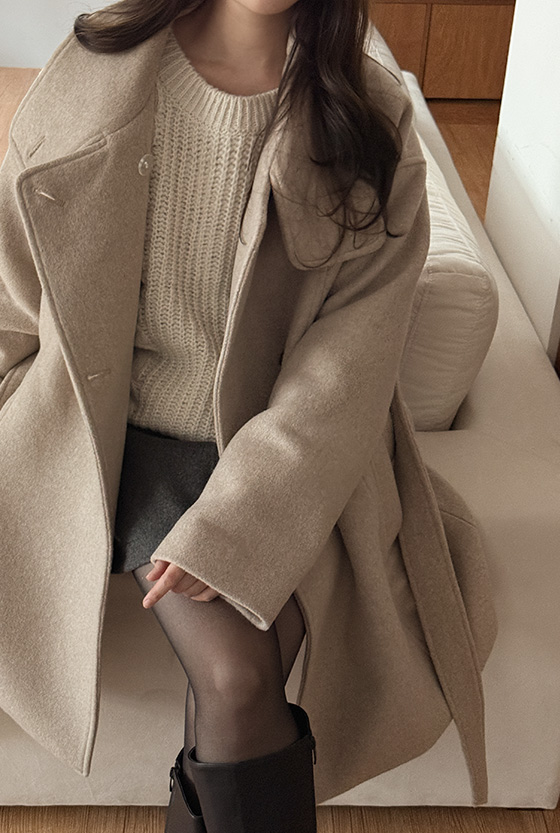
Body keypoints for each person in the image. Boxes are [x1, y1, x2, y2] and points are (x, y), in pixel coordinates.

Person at [69, 0, 418, 830]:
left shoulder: (368, 112)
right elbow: (22, 276)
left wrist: (239, 524)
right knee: (236, 675)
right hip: (130, 439)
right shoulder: (105, 63)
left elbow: (347, 366)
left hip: (278, 450)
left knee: (244, 672)